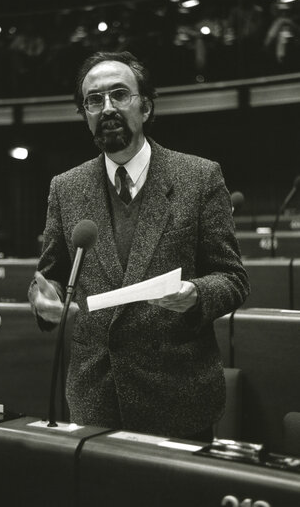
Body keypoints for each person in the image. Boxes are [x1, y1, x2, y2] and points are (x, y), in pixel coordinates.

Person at [28, 50, 249, 442]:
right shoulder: (65, 188)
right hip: (95, 399)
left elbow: (233, 279)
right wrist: (44, 301)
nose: (107, 107)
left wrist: (196, 293)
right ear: (85, 115)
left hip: (178, 397)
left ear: (145, 107)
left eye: (119, 94)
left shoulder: (199, 177)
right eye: (94, 100)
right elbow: (52, 280)